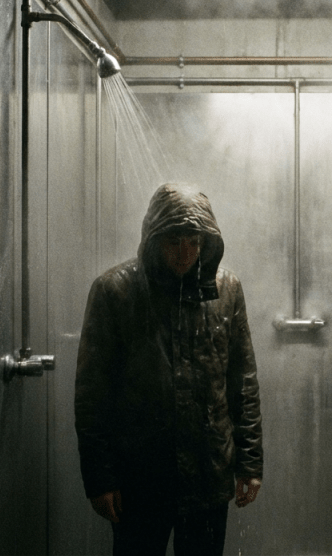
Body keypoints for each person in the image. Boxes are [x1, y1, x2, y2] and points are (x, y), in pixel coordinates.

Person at [75, 182, 264, 556]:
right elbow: (93, 396)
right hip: (141, 477)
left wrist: (250, 461)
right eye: (174, 240)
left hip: (208, 473)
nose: (184, 252)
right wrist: (100, 478)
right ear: (154, 239)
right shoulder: (116, 292)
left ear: (207, 241)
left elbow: (242, 381)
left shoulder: (226, 289)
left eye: (193, 241)